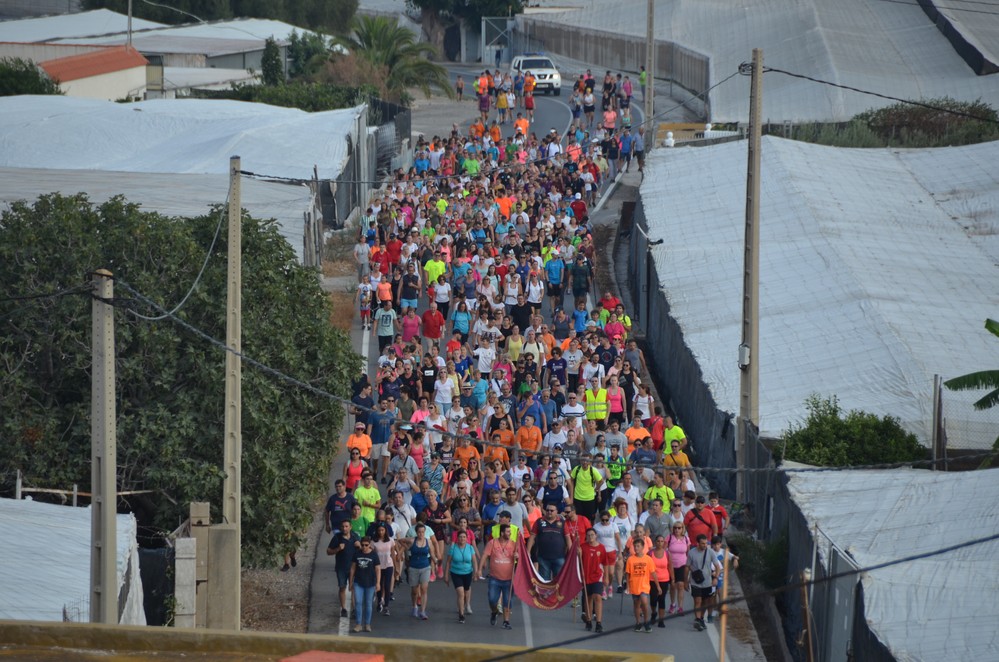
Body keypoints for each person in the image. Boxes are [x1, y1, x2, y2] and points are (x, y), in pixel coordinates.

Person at [478, 522, 518, 629]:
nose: (510, 533)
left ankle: (506, 621)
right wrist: (479, 569)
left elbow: (520, 559)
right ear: (501, 533)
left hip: (509, 579)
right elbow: (485, 555)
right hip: (494, 578)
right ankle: (494, 612)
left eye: (510, 531)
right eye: (508, 531)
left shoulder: (514, 544)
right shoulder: (492, 543)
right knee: (492, 600)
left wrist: (517, 556)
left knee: (507, 601)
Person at [527, 500, 571, 580]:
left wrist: (571, 552)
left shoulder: (562, 522)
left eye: (551, 510)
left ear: (557, 511)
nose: (549, 512)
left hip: (559, 557)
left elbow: (568, 538)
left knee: (559, 581)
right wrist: (528, 551)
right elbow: (532, 537)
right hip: (543, 557)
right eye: (547, 510)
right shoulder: (539, 521)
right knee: (544, 582)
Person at [327, 519, 361, 619]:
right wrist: (338, 549)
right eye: (343, 526)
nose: (344, 528)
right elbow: (328, 551)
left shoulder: (355, 537)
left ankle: (355, 609)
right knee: (342, 587)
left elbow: (363, 549)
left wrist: (359, 546)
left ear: (350, 527)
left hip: (354, 567)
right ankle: (343, 608)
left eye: (346, 526)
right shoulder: (337, 538)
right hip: (341, 567)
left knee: (354, 588)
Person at [687, 533, 721, 631]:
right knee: (697, 600)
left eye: (706, 543)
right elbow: (687, 566)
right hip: (695, 582)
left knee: (705, 602)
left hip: (707, 582)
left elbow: (717, 567)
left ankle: (701, 618)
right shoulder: (691, 553)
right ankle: (697, 619)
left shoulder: (710, 552)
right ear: (697, 543)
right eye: (702, 543)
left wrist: (716, 578)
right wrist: (686, 580)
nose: (705, 545)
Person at [444, 529, 478, 623]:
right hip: (456, 573)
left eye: (464, 537)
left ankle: (465, 605)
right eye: (460, 537)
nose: (462, 539)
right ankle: (461, 614)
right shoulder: (453, 548)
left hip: (468, 572)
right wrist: (446, 575)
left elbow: (474, 561)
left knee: (466, 592)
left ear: (467, 538)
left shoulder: (470, 548)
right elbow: (448, 562)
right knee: (460, 593)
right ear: (457, 538)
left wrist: (476, 573)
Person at [625, 537, 658, 633]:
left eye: (638, 546)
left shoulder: (648, 559)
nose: (636, 548)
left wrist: (658, 586)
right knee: (636, 604)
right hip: (634, 585)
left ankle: (646, 622)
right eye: (634, 546)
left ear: (643, 547)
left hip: (644, 586)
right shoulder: (630, 559)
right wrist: (627, 586)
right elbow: (628, 573)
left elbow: (653, 573)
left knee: (644, 602)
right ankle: (638, 622)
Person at [349, 537, 381, 633]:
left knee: (368, 604)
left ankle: (367, 624)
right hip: (358, 582)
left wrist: (378, 583)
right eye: (362, 545)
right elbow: (353, 568)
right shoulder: (357, 553)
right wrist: (351, 581)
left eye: (366, 545)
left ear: (370, 545)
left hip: (370, 583)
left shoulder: (374, 555)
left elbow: (378, 569)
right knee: (358, 602)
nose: (364, 547)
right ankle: (358, 624)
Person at [407, 522, 437, 620]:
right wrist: (404, 550)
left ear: (425, 532)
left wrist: (436, 561)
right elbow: (401, 542)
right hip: (413, 567)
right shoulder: (412, 541)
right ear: (416, 533)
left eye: (422, 532)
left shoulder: (428, 541)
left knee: (424, 589)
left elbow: (432, 553)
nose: (421, 534)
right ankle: (414, 606)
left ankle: (423, 611)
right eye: (419, 532)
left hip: (425, 567)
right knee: (415, 590)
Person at [580, 527, 606, 632]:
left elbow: (605, 563)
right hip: (586, 576)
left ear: (596, 536)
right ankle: (589, 621)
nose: (590, 537)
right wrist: (578, 553)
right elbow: (577, 561)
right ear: (586, 537)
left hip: (597, 576)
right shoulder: (582, 547)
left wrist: (607, 577)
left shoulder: (601, 548)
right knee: (588, 599)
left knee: (598, 597)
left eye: (592, 535)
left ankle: (599, 623)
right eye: (588, 535)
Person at [649, 534, 675, 627]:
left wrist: (672, 580)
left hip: (664, 579)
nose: (660, 543)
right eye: (658, 541)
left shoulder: (667, 554)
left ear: (664, 543)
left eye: (662, 541)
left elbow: (670, 567)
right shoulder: (650, 553)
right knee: (653, 599)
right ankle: (653, 612)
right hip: (652, 579)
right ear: (655, 542)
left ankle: (661, 620)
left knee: (661, 599)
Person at [372, 520, 397, 616]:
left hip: (388, 565)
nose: (381, 532)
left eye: (382, 530)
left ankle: (386, 606)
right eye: (379, 530)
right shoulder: (374, 542)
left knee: (387, 585)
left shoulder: (390, 540)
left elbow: (393, 554)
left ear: (385, 531)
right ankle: (379, 602)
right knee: (379, 585)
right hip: (378, 566)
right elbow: (372, 554)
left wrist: (395, 566)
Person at [667, 522, 691, 614]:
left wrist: (689, 565)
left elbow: (688, 553)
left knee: (680, 585)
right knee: (673, 586)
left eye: (679, 528)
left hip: (682, 564)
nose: (677, 530)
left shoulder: (686, 539)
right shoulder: (669, 538)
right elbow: (664, 551)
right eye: (675, 528)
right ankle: (673, 604)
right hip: (671, 565)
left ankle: (680, 607)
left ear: (682, 529)